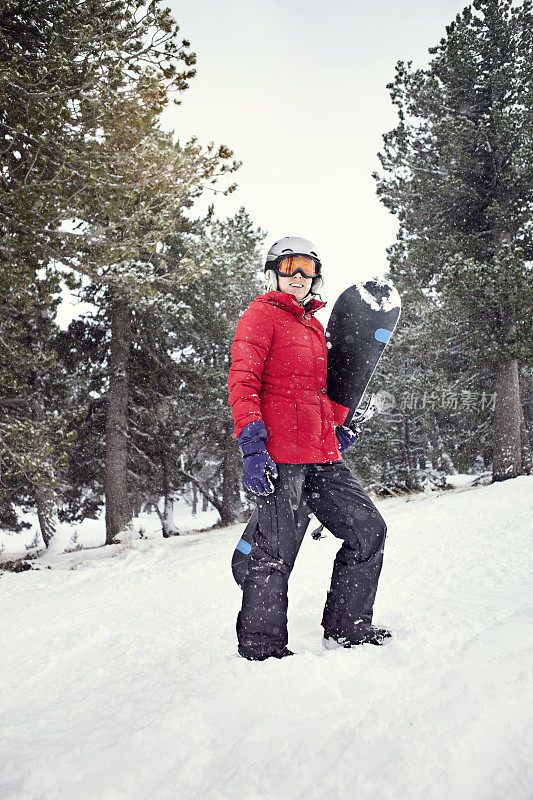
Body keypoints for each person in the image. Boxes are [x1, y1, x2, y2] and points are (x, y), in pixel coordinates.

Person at [228, 236, 390, 661]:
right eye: (289, 266)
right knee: (275, 553)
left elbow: (316, 392)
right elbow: (243, 382)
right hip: (280, 453)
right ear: (273, 273)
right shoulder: (260, 317)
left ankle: (347, 628)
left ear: (317, 276)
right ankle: (262, 649)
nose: (299, 276)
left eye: (307, 268)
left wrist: (336, 430)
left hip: (320, 454)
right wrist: (251, 444)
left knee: (368, 531)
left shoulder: (313, 326)